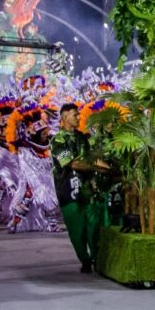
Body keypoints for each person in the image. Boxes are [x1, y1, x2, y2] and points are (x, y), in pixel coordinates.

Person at [51, 103, 107, 273]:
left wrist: (108, 169)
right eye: (75, 115)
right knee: (77, 230)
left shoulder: (84, 138)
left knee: (94, 225)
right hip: (68, 192)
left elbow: (95, 158)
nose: (78, 117)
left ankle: (97, 258)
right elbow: (73, 163)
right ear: (65, 117)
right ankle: (85, 259)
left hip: (88, 190)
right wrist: (96, 168)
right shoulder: (57, 140)